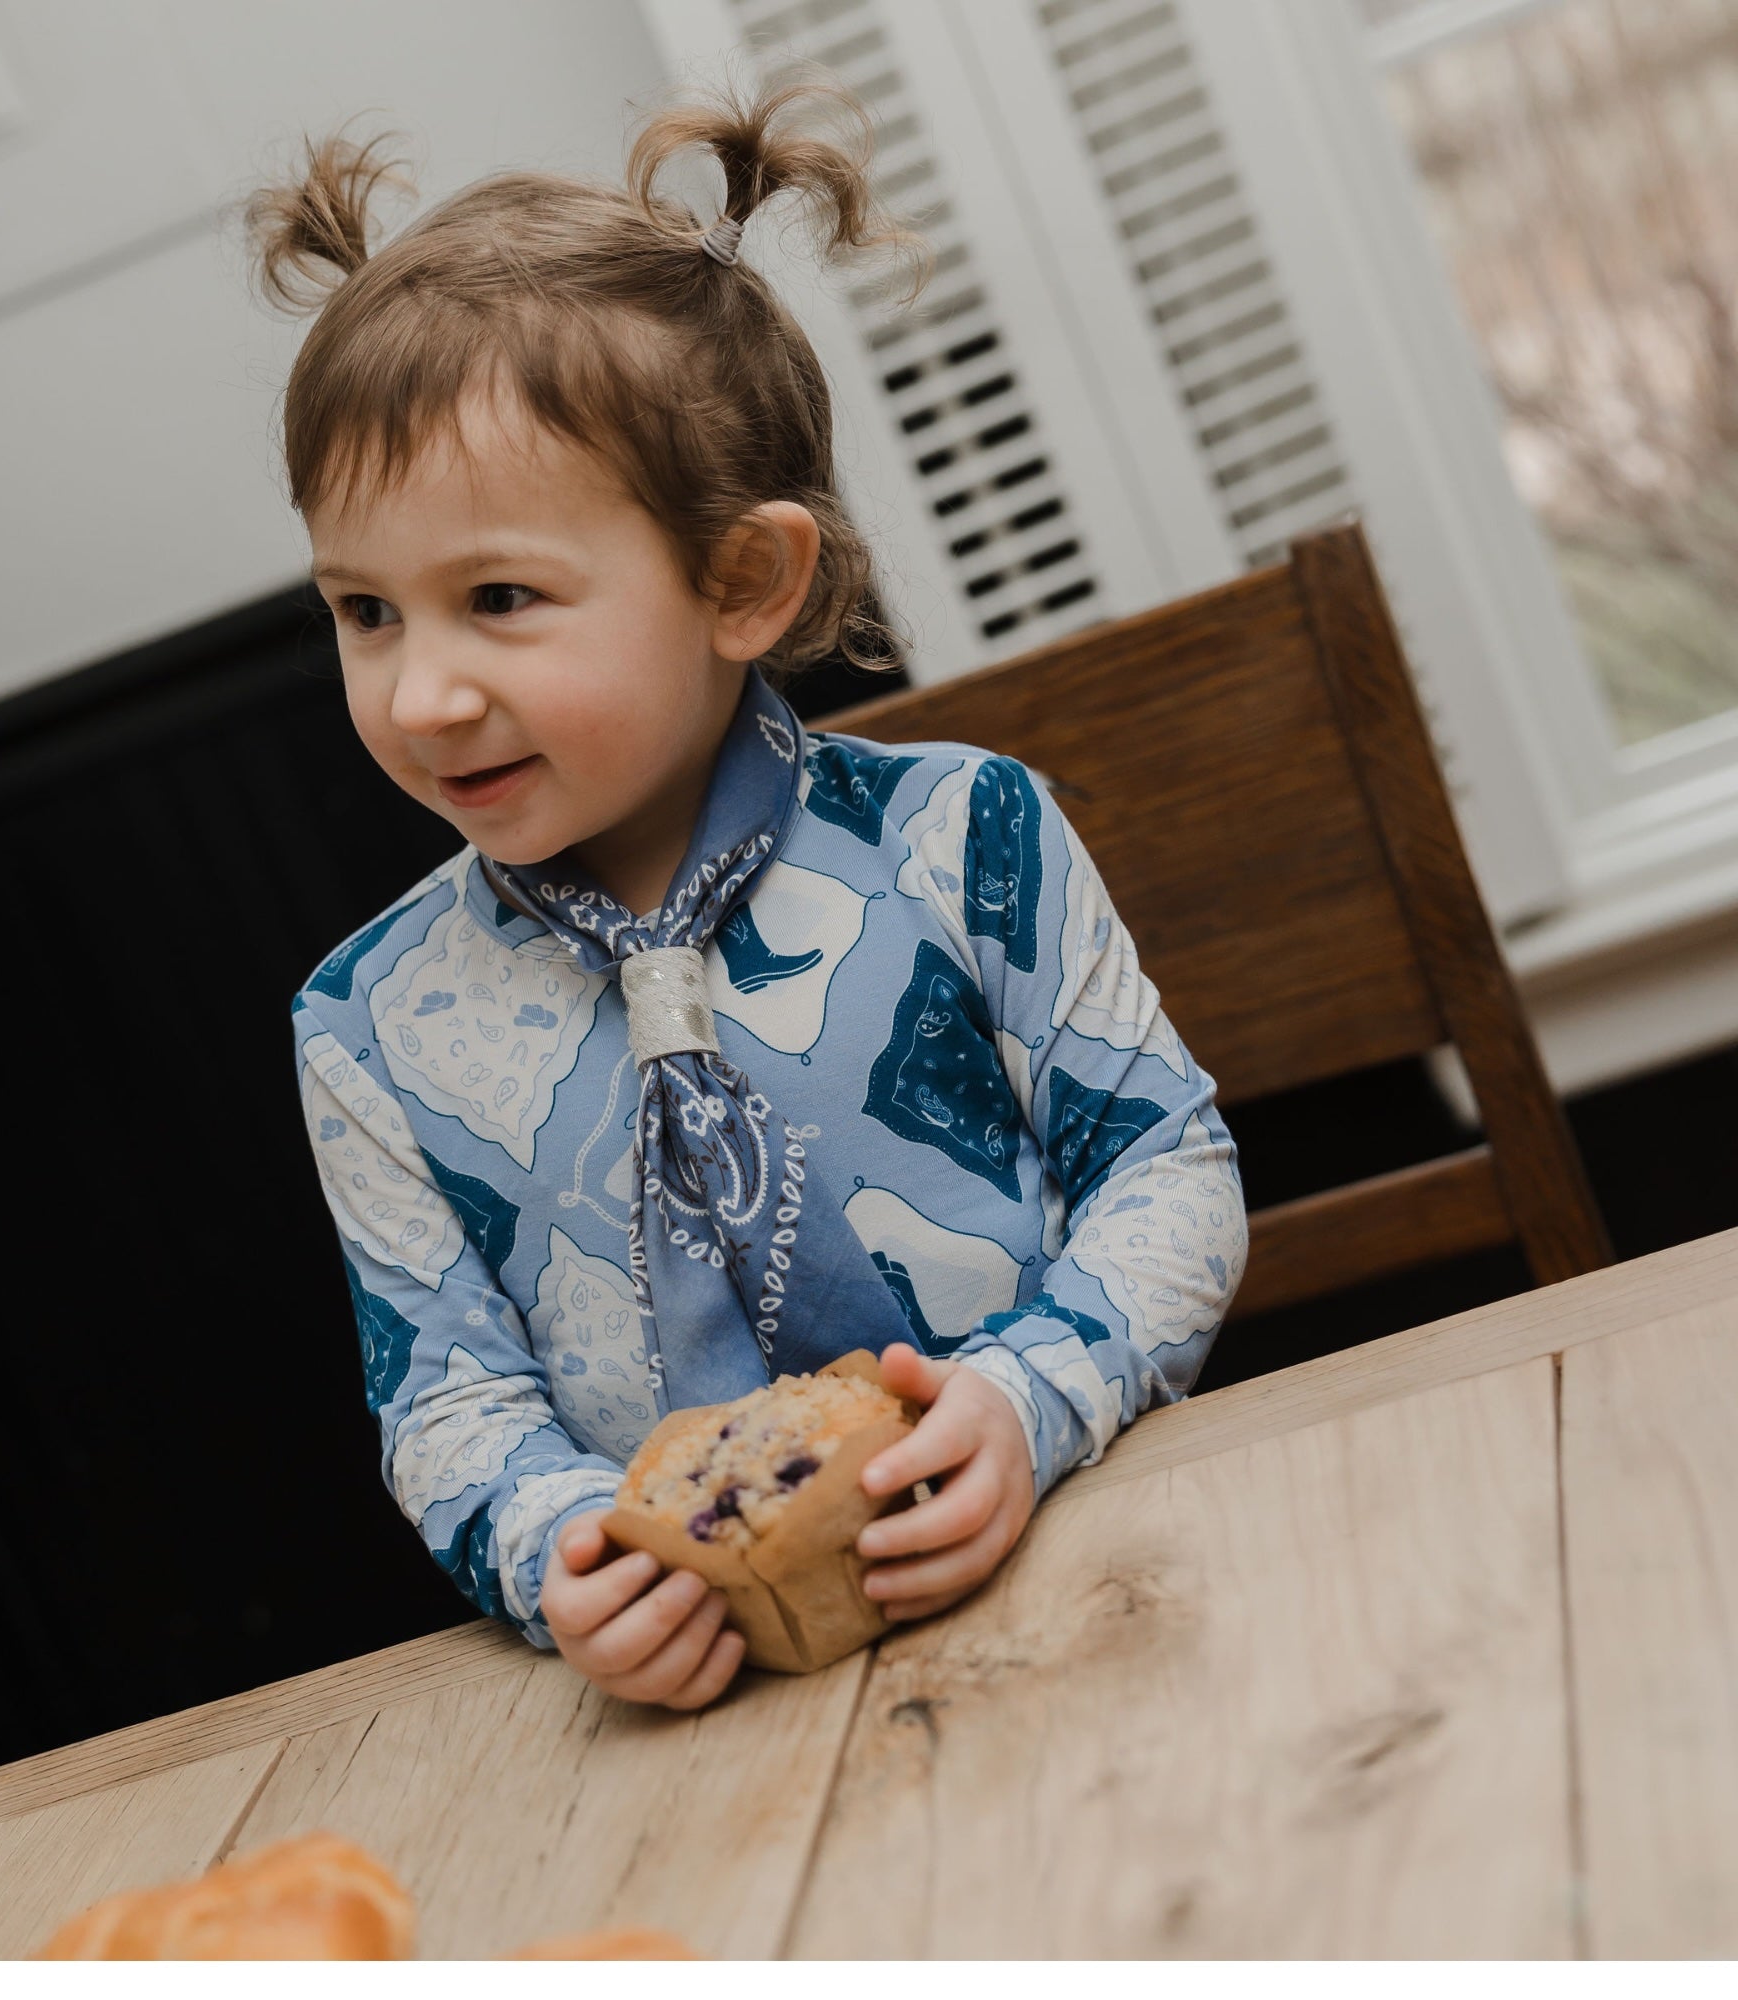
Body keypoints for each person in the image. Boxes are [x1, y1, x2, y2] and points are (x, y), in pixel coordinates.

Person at [251, 78, 1246, 1713]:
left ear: (741, 581)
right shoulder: (366, 1027)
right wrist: (566, 1547)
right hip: (698, 1715)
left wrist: (1029, 1400)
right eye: (366, 613)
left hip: (1094, 1575)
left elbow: (1165, 1166)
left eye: (497, 598)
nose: (418, 694)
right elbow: (445, 1398)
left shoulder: (964, 838)